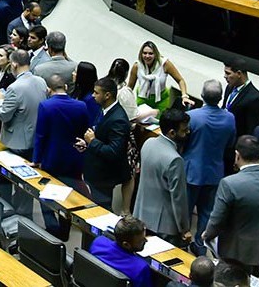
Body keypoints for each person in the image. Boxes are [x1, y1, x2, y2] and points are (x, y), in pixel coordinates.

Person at [202, 135, 259, 275]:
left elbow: (217, 219)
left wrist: (207, 235)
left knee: (234, 280)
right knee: (253, 278)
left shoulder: (229, 183)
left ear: (237, 155)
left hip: (237, 249)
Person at [183, 80, 236, 256]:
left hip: (191, 171)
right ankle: (200, 245)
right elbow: (230, 144)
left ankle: (182, 240)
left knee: (186, 209)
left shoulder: (192, 116)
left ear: (202, 95)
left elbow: (184, 142)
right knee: (207, 212)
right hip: (214, 173)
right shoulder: (230, 118)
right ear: (221, 97)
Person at [34, 74, 90, 240]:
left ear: (48, 89)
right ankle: (65, 230)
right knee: (67, 194)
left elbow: (40, 135)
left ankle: (51, 227)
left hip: (52, 158)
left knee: (47, 193)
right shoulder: (81, 106)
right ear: (65, 87)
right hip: (74, 158)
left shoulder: (45, 106)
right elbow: (85, 131)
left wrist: (36, 159)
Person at [0, 49, 47, 216]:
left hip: (16, 142)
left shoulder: (14, 87)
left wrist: (0, 101)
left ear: (14, 64)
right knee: (26, 181)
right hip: (33, 139)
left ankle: (7, 210)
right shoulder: (41, 82)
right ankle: (25, 213)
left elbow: (4, 115)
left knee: (8, 178)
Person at [133, 108, 191, 246]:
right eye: (184, 130)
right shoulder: (175, 160)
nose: (187, 132)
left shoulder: (148, 143)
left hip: (141, 216)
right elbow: (178, 199)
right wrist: (184, 229)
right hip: (165, 226)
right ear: (172, 133)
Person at [75, 76, 130, 210]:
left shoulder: (119, 120)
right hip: (95, 172)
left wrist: (92, 142)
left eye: (96, 92)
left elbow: (113, 151)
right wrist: (87, 144)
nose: (93, 96)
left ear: (107, 95)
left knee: (100, 211)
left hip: (104, 177)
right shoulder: (104, 110)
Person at [128, 41, 191, 114]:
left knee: (158, 123)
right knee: (142, 121)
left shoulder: (165, 64)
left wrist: (184, 96)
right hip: (143, 97)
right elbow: (130, 87)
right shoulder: (137, 66)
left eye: (150, 53)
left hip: (161, 99)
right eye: (144, 53)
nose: (147, 56)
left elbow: (180, 80)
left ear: (156, 54)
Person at [88, 216, 151, 287]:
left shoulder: (98, 242)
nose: (146, 240)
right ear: (126, 244)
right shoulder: (140, 268)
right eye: (141, 240)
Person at [222, 59, 259, 138]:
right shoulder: (229, 87)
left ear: (239, 74)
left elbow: (251, 130)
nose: (225, 76)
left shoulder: (256, 98)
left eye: (228, 73)